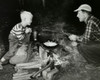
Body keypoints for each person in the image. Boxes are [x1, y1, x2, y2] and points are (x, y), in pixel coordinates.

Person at [69, 4, 100, 69]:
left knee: (81, 46)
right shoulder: (91, 19)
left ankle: (96, 63)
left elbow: (86, 41)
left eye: (79, 13)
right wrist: (77, 37)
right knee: (80, 44)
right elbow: (86, 35)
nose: (77, 16)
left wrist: (76, 39)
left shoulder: (91, 21)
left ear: (85, 13)